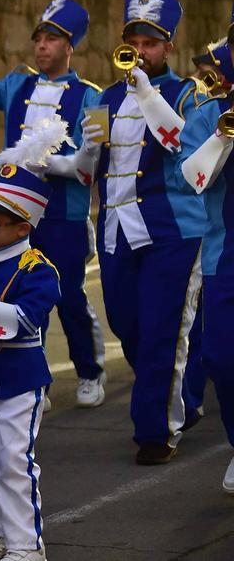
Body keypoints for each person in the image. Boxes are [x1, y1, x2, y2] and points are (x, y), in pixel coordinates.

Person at [0, 0, 108, 408]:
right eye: (38, 38)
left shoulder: (94, 96)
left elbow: (89, 168)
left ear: (70, 46)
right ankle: (32, 380)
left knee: (68, 297)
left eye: (51, 39)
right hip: (15, 213)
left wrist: (49, 163)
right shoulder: (17, 85)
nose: (41, 46)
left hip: (65, 215)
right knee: (15, 296)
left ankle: (90, 371)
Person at [84, 0, 207, 464]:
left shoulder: (186, 93)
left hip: (172, 231)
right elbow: (90, 162)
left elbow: (179, 142)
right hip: (116, 231)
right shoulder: (103, 99)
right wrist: (60, 155)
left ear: (168, 47)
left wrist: (145, 91)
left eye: (150, 43)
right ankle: (183, 392)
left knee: (160, 330)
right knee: (127, 324)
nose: (139, 51)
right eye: (132, 42)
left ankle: (157, 431)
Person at [0, 121, 68, 561]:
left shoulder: (38, 270)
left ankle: (26, 545)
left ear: (23, 228)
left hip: (18, 379)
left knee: (13, 463)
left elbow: (23, 321)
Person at [180, 27, 234, 492]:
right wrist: (223, 136)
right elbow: (193, 179)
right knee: (220, 357)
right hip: (225, 256)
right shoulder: (209, 111)